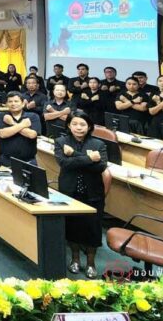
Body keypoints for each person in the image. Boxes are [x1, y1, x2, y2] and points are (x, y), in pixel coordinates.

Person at [54, 110, 108, 279]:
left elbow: (101, 167)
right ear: (69, 126)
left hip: (93, 192)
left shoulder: (99, 144)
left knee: (93, 229)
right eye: (75, 124)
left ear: (89, 126)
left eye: (83, 124)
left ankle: (91, 263)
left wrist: (74, 155)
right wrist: (90, 158)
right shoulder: (61, 141)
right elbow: (65, 164)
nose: (79, 128)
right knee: (72, 226)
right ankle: (75, 259)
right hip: (69, 191)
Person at [0, 92, 41, 167]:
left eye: (16, 101)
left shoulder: (33, 116)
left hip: (29, 161)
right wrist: (22, 125)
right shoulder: (0, 116)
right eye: (10, 101)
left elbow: (32, 135)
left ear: (23, 104)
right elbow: (2, 134)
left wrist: (12, 123)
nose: (13, 104)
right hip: (6, 160)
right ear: (6, 104)